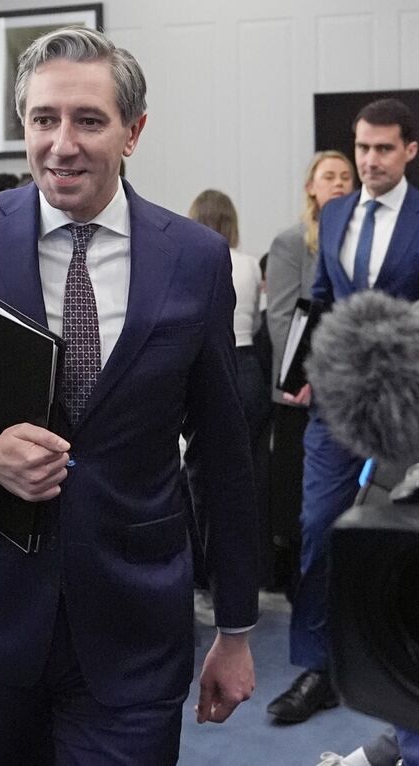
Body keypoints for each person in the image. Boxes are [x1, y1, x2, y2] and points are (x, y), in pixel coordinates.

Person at [0, 26, 258, 764]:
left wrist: (235, 629)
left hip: (134, 627)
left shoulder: (193, 259)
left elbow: (224, 451)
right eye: (44, 120)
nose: (62, 144)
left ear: (133, 132)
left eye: (88, 120)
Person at [267, 98, 419, 726]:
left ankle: (411, 665)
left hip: (412, 404)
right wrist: (302, 371)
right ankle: (319, 668)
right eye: (362, 148)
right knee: (318, 529)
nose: (369, 161)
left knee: (409, 536)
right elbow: (320, 297)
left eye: (383, 149)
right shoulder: (334, 213)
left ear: (409, 151)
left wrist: (396, 335)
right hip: (335, 401)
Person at [265, 151, 355, 596]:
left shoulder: (359, 238)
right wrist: (299, 376)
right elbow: (281, 318)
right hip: (302, 389)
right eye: (329, 176)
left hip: (350, 389)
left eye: (345, 177)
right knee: (300, 499)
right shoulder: (291, 242)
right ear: (312, 188)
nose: (339, 183)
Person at [188, 188, 268, 585]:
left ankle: (204, 569)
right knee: (246, 473)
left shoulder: (191, 261)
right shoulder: (251, 265)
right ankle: (248, 571)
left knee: (202, 471)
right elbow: (254, 326)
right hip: (248, 367)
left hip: (209, 364)